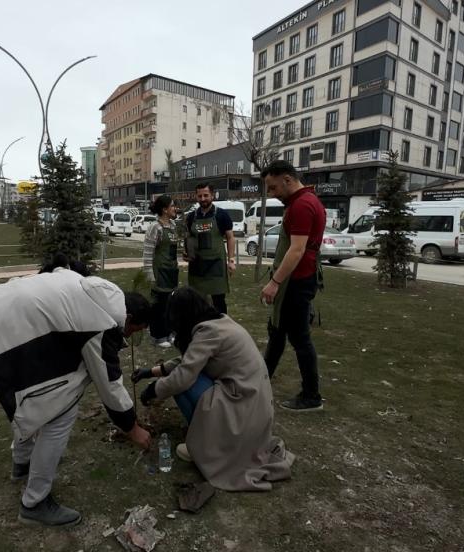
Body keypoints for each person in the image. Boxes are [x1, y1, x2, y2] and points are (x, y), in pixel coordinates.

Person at [0, 271, 152, 527]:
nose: (130, 336)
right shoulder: (102, 322)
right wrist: (132, 428)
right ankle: (35, 503)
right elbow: (109, 383)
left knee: (36, 399)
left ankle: (23, 463)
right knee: (59, 412)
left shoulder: (94, 291)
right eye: (134, 330)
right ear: (129, 318)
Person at [134, 287, 295, 491]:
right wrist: (150, 372)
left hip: (243, 408)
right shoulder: (217, 323)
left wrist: (153, 390)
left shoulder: (208, 332)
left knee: (182, 384)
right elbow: (187, 361)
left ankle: (208, 444)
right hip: (253, 404)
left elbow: (183, 376)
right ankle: (208, 433)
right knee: (186, 376)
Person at [259, 160, 326, 411]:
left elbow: (296, 250)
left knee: (299, 338)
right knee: (277, 330)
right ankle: (261, 378)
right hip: (296, 280)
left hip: (295, 282)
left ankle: (311, 396)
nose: (272, 194)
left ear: (287, 180)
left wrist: (274, 282)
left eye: (274, 187)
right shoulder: (304, 201)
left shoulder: (302, 205)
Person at [184, 183, 235, 313]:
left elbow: (230, 238)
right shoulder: (191, 217)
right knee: (196, 301)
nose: (203, 199)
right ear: (196, 196)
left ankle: (222, 324)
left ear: (212, 195)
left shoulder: (222, 215)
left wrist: (231, 260)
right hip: (197, 265)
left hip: (215, 265)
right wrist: (187, 253)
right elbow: (189, 238)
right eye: (200, 196)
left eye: (206, 195)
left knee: (218, 301)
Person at [142, 195, 179, 348]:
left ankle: (169, 333)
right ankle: (158, 336)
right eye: (172, 206)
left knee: (170, 305)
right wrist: (149, 274)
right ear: (164, 210)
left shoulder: (173, 226)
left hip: (171, 271)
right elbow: (148, 253)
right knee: (159, 306)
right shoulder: (155, 227)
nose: (175, 208)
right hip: (159, 272)